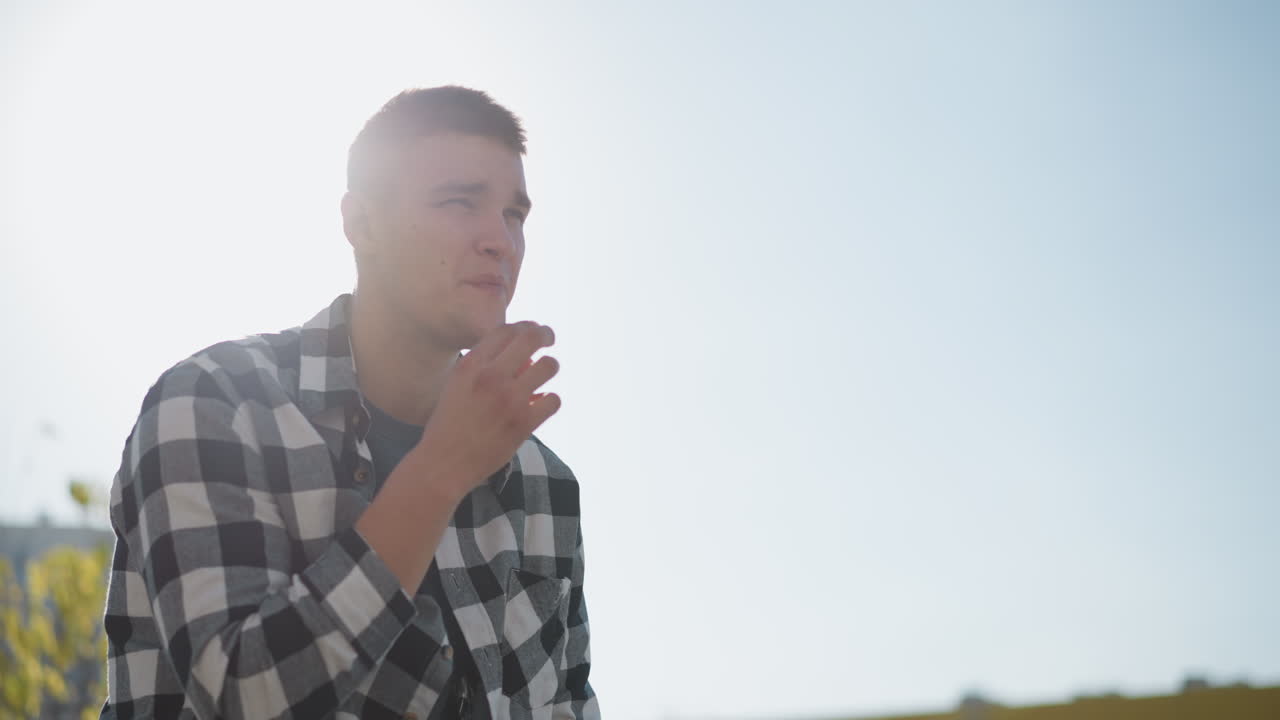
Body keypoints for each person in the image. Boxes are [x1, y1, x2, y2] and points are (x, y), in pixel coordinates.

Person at [100, 86, 599, 720]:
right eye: (459, 202)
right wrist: (439, 472)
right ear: (361, 224)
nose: (500, 240)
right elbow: (243, 699)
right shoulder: (214, 404)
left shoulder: (544, 483)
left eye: (514, 215)